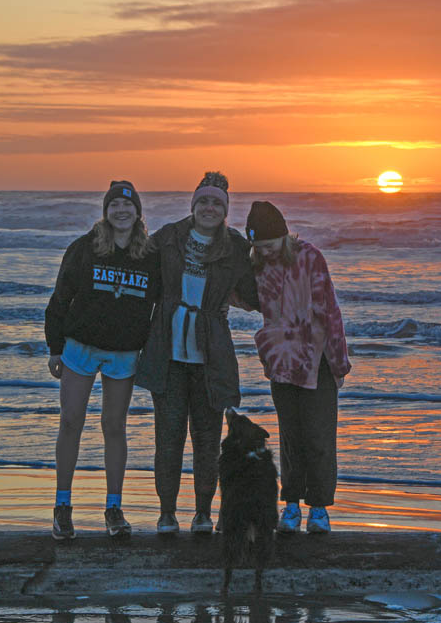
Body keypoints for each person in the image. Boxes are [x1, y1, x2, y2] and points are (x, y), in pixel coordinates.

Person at [135, 171, 259, 534]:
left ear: (225, 210)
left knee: (207, 441)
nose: (209, 207)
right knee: (168, 437)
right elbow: (138, 271)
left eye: (216, 203)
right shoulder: (169, 237)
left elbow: (254, 296)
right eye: (203, 201)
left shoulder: (236, 246)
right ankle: (167, 513)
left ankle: (203, 513)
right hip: (167, 354)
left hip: (212, 355)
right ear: (193, 205)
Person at [45, 180, 160, 541]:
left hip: (124, 352)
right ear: (106, 212)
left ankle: (113, 508)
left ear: (138, 212)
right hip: (81, 347)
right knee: (71, 421)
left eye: (128, 204)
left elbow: (161, 305)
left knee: (114, 426)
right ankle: (62, 507)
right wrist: (54, 347)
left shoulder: (151, 256)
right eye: (114, 205)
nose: (121, 210)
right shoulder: (84, 249)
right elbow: (60, 298)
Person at [246, 200, 351, 534]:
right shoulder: (257, 264)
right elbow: (241, 296)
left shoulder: (309, 257)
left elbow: (329, 310)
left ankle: (318, 508)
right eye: (257, 247)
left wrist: (338, 362)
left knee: (319, 436)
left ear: (283, 236)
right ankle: (290, 505)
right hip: (279, 363)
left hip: (315, 360)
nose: (264, 252)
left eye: (268, 245)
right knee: (291, 437)